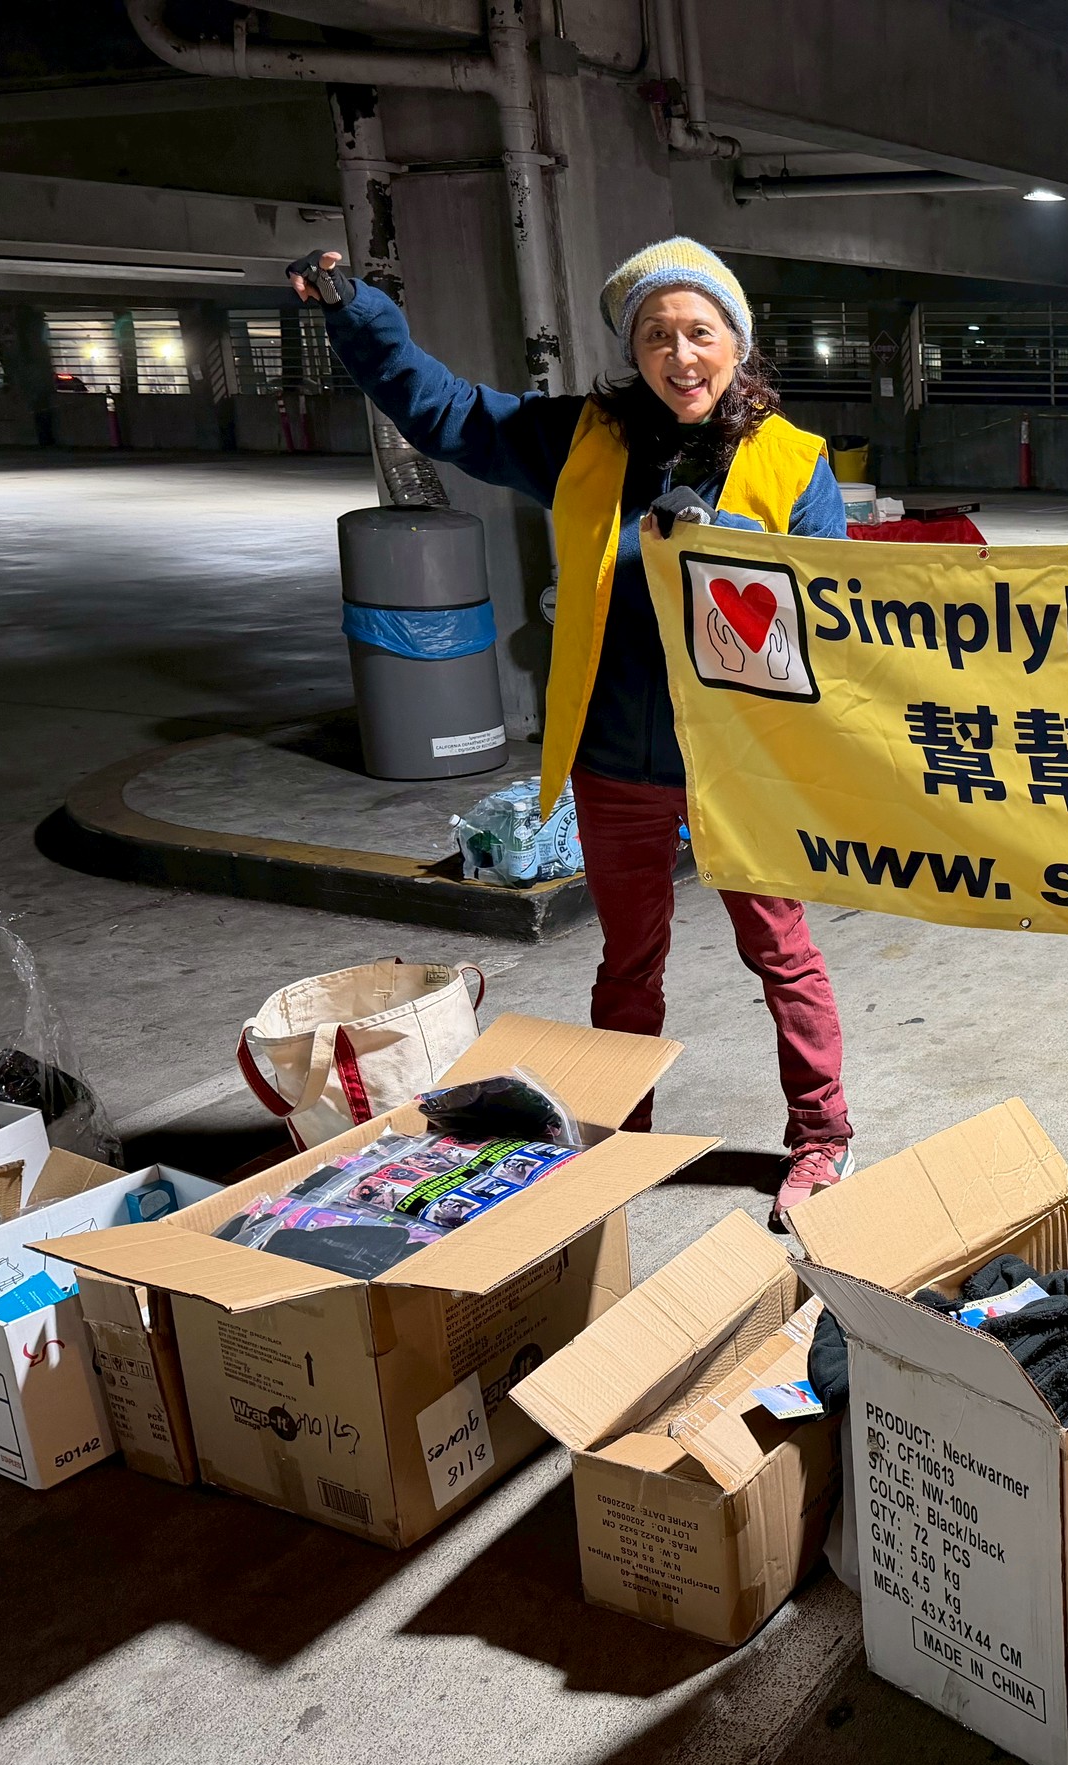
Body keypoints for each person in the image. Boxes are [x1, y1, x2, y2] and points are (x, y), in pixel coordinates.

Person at [292, 237, 856, 1224]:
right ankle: (623, 1133)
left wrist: (718, 548)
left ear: (737, 343)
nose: (681, 355)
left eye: (700, 332)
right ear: (633, 349)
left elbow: (834, 616)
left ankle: (821, 1136)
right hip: (614, 758)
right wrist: (356, 315)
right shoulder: (581, 438)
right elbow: (443, 410)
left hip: (737, 763)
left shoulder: (795, 463)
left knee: (781, 952)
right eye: (657, 335)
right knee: (628, 963)